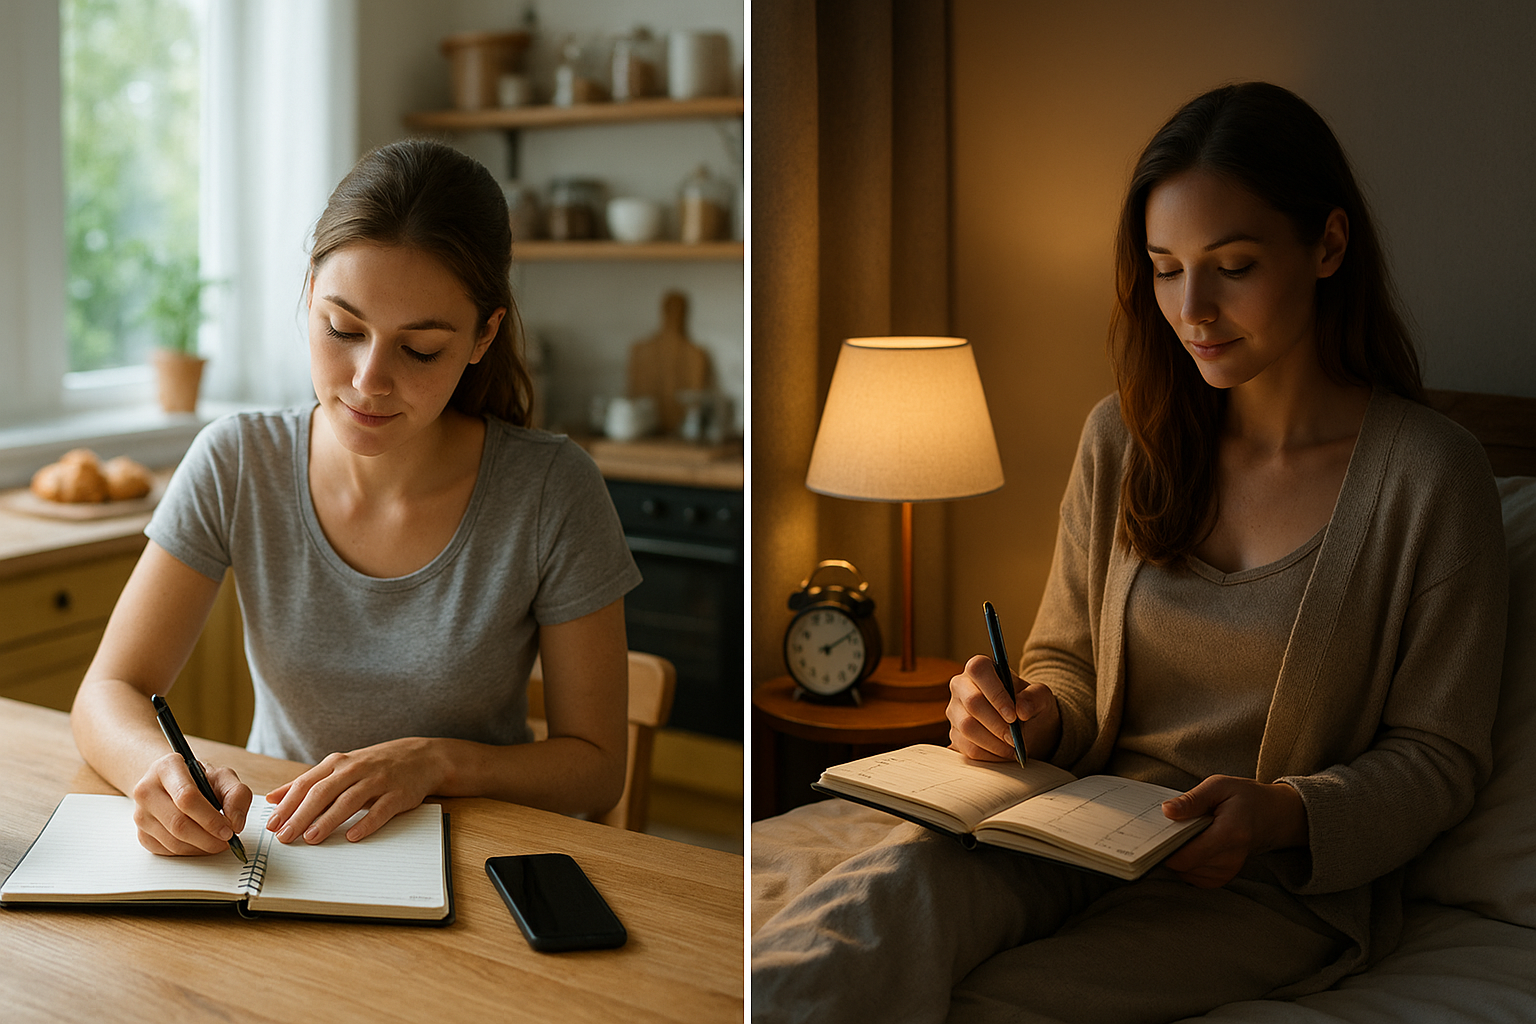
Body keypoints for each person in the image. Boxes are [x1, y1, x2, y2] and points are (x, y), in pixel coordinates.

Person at [751, 82, 1507, 1023]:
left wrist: (1284, 814)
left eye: (1232, 266)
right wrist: (1024, 714)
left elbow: (1440, 755)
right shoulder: (1126, 438)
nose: (1192, 309)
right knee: (840, 940)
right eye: (1164, 268)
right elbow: (1067, 665)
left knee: (988, 1006)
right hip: (1069, 823)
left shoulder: (1432, 477)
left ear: (1328, 245)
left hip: (1259, 887)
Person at [72, 139, 641, 857]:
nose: (369, 379)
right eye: (343, 329)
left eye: (420, 349)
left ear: (482, 336)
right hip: (282, 857)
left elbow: (594, 769)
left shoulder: (553, 491)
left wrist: (435, 762)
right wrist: (156, 773)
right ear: (310, 291)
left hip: (475, 861)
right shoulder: (239, 460)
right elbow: (109, 689)